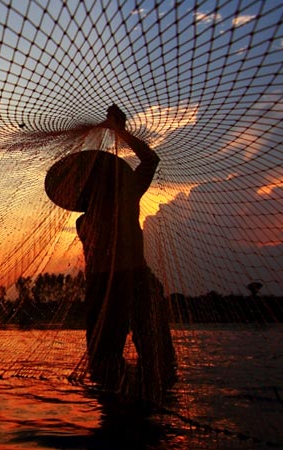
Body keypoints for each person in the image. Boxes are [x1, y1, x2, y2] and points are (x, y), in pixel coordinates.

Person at [77, 105, 176, 401]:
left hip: (119, 284)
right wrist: (119, 131)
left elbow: (150, 159)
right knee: (146, 362)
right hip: (120, 285)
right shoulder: (123, 196)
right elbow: (150, 159)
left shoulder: (85, 218)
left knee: (117, 363)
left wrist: (119, 132)